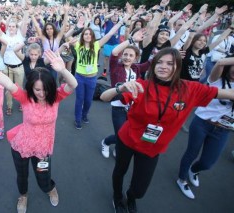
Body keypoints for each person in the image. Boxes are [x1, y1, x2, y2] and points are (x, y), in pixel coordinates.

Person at [100, 48, 234, 213]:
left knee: (140, 188)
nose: (163, 66)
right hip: (127, 139)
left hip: (152, 147)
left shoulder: (190, 89)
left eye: (170, 63)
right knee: (120, 171)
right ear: (154, 65)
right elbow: (104, 97)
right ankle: (118, 198)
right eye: (160, 62)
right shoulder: (142, 86)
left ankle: (131, 197)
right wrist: (121, 88)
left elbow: (226, 93)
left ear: (177, 66)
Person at [0, 48, 77, 213]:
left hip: (42, 149)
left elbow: (73, 84)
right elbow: (8, 83)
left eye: (45, 89)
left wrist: (62, 70)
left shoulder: (55, 98)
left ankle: (49, 188)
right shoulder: (26, 98)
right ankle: (23, 196)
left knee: (43, 177)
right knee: (22, 175)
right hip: (21, 146)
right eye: (37, 89)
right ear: (31, 88)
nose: (42, 93)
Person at [177, 57, 234, 199]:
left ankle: (194, 170)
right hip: (202, 123)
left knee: (207, 163)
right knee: (191, 153)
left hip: (224, 130)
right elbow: (220, 62)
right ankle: (182, 179)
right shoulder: (217, 79)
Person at [73, 11, 131, 130]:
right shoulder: (78, 45)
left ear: (92, 36)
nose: (88, 36)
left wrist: (121, 21)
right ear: (82, 36)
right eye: (85, 34)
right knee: (79, 99)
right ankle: (77, 118)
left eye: (90, 34)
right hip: (79, 77)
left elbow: (109, 34)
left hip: (91, 78)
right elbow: (66, 35)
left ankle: (84, 115)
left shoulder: (96, 45)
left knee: (88, 100)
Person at [100, 29, 150, 158]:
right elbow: (114, 52)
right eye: (125, 54)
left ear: (135, 58)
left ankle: (118, 146)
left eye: (131, 55)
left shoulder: (136, 68)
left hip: (133, 107)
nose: (127, 57)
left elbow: (152, 62)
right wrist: (131, 40)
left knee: (129, 133)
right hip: (118, 107)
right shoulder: (116, 67)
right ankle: (105, 142)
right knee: (120, 134)